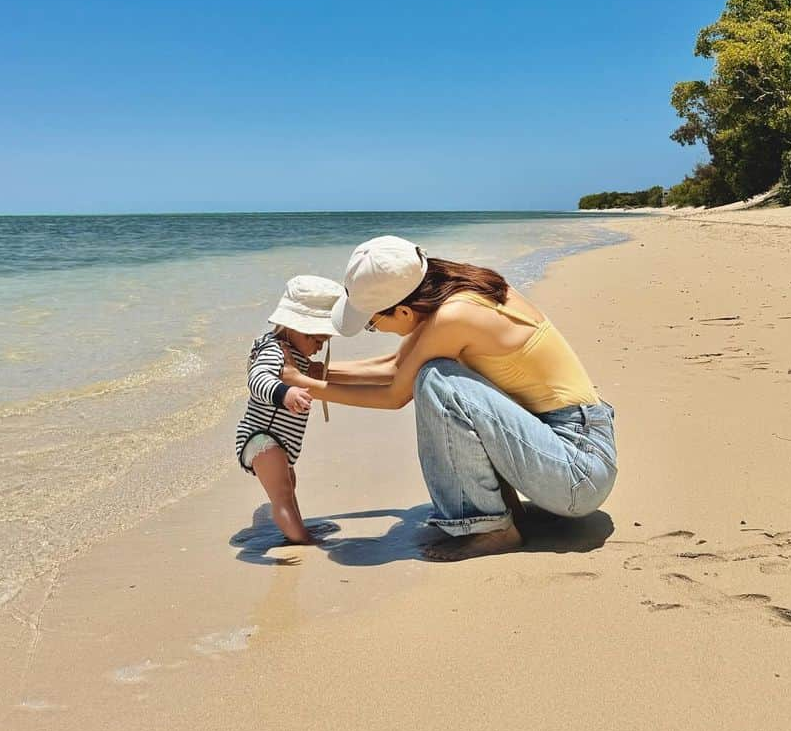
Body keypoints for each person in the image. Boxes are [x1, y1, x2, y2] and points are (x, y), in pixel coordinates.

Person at [279, 237, 617, 562]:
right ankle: (501, 513)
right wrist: (314, 370)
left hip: (578, 473)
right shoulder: (458, 291)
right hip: (568, 450)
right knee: (434, 374)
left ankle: (492, 529)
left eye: (371, 323)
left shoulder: (454, 317)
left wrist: (303, 384)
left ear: (405, 313)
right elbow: (395, 366)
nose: (374, 329)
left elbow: (397, 393)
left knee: (436, 378)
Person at [235, 275, 342, 545]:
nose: (319, 347)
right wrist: (285, 393)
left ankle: (296, 527)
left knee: (289, 487)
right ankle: (301, 539)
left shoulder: (296, 354)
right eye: (317, 340)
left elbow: (311, 375)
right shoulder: (275, 350)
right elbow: (257, 378)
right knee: (282, 493)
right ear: (297, 328)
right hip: (262, 437)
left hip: (279, 441)